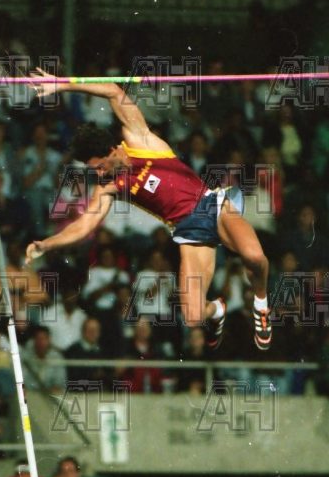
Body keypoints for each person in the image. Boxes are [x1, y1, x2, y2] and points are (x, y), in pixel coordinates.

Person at [26, 71, 272, 351]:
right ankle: (216, 309)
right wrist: (47, 244)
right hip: (189, 233)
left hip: (213, 208)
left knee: (255, 258)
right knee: (193, 317)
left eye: (100, 166)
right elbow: (83, 226)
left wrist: (64, 84)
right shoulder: (108, 188)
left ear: (112, 150)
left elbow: (114, 91)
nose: (100, 173)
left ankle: (261, 304)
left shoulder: (140, 141)